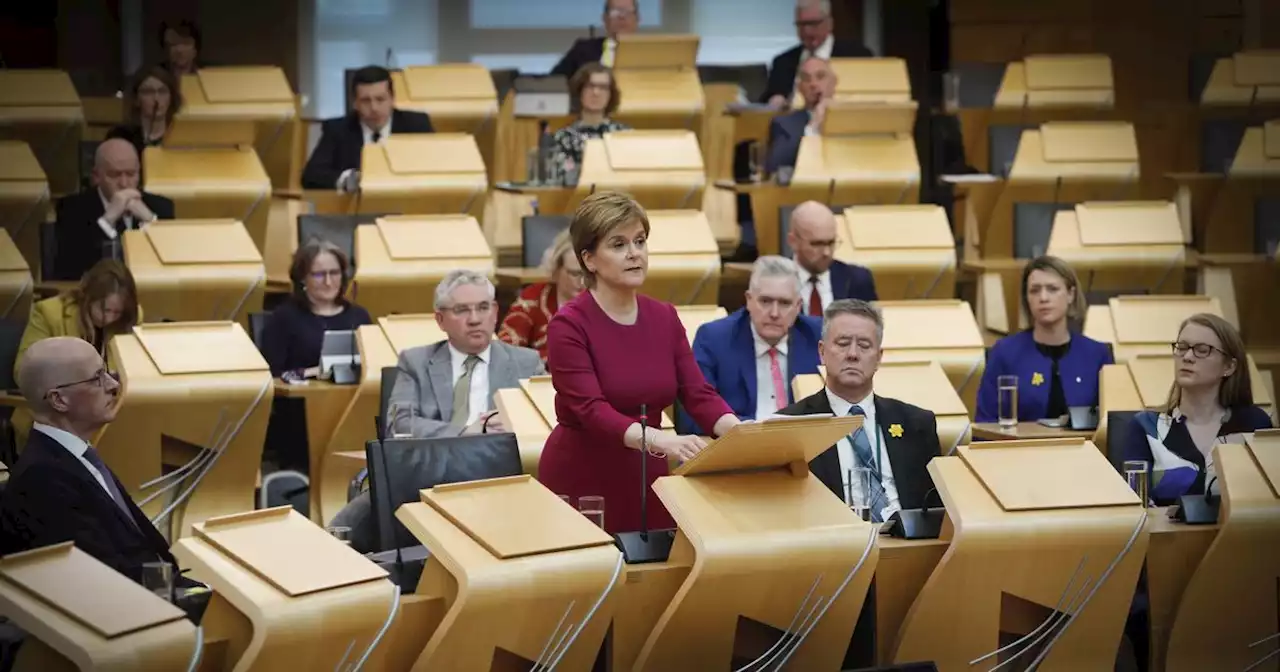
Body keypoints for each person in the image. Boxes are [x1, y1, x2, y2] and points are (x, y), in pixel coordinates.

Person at [538, 192, 739, 534]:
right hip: (584, 477)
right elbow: (591, 410)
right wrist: (660, 441)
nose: (634, 253)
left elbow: (698, 393)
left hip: (649, 476)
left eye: (640, 241)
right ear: (589, 259)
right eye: (618, 244)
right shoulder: (569, 323)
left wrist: (742, 435)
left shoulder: (663, 316)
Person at [0, 338, 180, 583]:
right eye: (98, 378)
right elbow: (107, 578)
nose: (114, 385)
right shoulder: (42, 479)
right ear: (59, 400)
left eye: (108, 372)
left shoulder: (76, 456)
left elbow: (141, 547)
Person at [778, 299, 940, 522]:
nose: (853, 354)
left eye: (864, 345)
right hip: (833, 547)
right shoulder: (791, 425)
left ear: (878, 358)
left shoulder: (917, 424)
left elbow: (936, 510)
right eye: (843, 343)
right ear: (822, 352)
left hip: (907, 544)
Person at [1121, 313, 1272, 505]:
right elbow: (1135, 507)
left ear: (1229, 366)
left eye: (1202, 350)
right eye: (1182, 347)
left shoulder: (1254, 424)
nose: (1188, 357)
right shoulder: (1146, 427)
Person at [386, 270, 544, 439]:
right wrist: (464, 433)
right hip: (438, 461)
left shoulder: (527, 363)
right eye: (461, 310)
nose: (474, 319)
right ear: (440, 320)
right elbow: (397, 425)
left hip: (503, 460)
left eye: (483, 308)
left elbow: (548, 421)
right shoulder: (415, 363)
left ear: (495, 313)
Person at [688, 256, 822, 431]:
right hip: (739, 447)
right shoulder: (714, 339)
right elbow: (694, 413)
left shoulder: (818, 336)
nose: (774, 313)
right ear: (749, 300)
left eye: (784, 303)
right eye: (765, 301)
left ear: (798, 306)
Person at [975, 256, 1113, 423]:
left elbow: (1111, 425)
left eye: (1052, 289)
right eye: (1034, 290)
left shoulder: (1097, 355)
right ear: (1027, 298)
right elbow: (985, 424)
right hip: (1021, 448)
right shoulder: (1004, 353)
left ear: (1070, 294)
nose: (1043, 298)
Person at [51, 138, 175, 281]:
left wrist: (150, 223)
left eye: (130, 174)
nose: (124, 183)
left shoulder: (161, 208)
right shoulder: (72, 209)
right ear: (97, 176)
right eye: (114, 175)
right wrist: (106, 221)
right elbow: (70, 270)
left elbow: (170, 267)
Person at [301, 65, 434, 192]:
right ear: (355, 103)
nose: (374, 108)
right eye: (365, 101)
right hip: (354, 211)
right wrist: (347, 180)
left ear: (392, 99)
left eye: (380, 99)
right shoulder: (337, 129)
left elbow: (434, 169)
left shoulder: (417, 125)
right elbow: (311, 176)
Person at [259, 240, 373, 378]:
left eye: (335, 273)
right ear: (302, 278)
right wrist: (308, 373)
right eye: (319, 275)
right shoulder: (283, 319)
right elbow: (269, 376)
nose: (328, 282)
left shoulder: (359, 316)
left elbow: (374, 366)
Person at [17, 260, 141, 375]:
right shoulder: (49, 313)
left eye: (117, 312)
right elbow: (23, 370)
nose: (109, 318)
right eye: (105, 310)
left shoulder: (130, 319)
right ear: (87, 297)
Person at [761, 0, 873, 107]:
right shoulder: (782, 62)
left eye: (813, 24)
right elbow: (765, 102)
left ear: (829, 23)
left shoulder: (857, 56)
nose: (807, 31)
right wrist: (775, 100)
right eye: (801, 24)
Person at [498, 229, 584, 361]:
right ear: (555, 270)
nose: (583, 281)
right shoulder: (533, 299)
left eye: (590, 274)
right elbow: (506, 349)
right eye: (575, 274)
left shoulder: (608, 297)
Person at [788, 201, 877, 314]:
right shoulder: (773, 280)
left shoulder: (858, 281)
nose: (826, 252)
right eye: (817, 244)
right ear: (793, 242)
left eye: (831, 243)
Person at [549, 63, 631, 180]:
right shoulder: (563, 137)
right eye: (590, 86)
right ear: (579, 91)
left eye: (603, 87)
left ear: (610, 94)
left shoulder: (624, 134)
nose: (596, 92)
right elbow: (562, 177)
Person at [766, 56, 837, 176]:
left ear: (833, 82)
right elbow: (776, 166)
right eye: (806, 79)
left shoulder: (851, 119)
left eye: (820, 76)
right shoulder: (784, 124)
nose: (813, 84)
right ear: (799, 88)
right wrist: (812, 128)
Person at [106, 65, 182, 155]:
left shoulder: (182, 138)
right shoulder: (121, 136)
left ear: (171, 98)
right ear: (136, 99)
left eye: (162, 92)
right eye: (149, 92)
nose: (156, 98)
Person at [551, 0, 639, 77]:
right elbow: (553, 82)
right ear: (605, 18)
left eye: (628, 12)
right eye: (615, 12)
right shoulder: (582, 50)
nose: (621, 17)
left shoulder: (649, 52)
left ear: (638, 19)